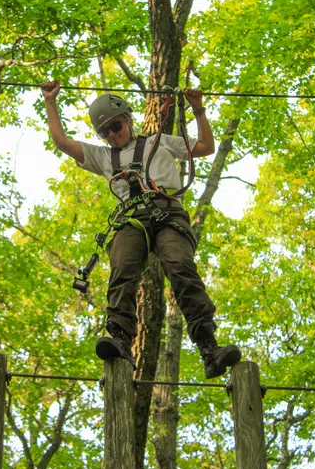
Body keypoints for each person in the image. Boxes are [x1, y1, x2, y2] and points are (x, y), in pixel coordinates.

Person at [41, 79, 241, 379]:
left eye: (116, 126)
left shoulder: (158, 142)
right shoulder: (102, 156)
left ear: (128, 120)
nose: (113, 134)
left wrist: (198, 110)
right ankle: (120, 339)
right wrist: (50, 102)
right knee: (123, 268)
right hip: (131, 220)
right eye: (105, 131)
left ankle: (208, 346)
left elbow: (205, 148)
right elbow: (61, 141)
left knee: (180, 266)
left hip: (167, 213)